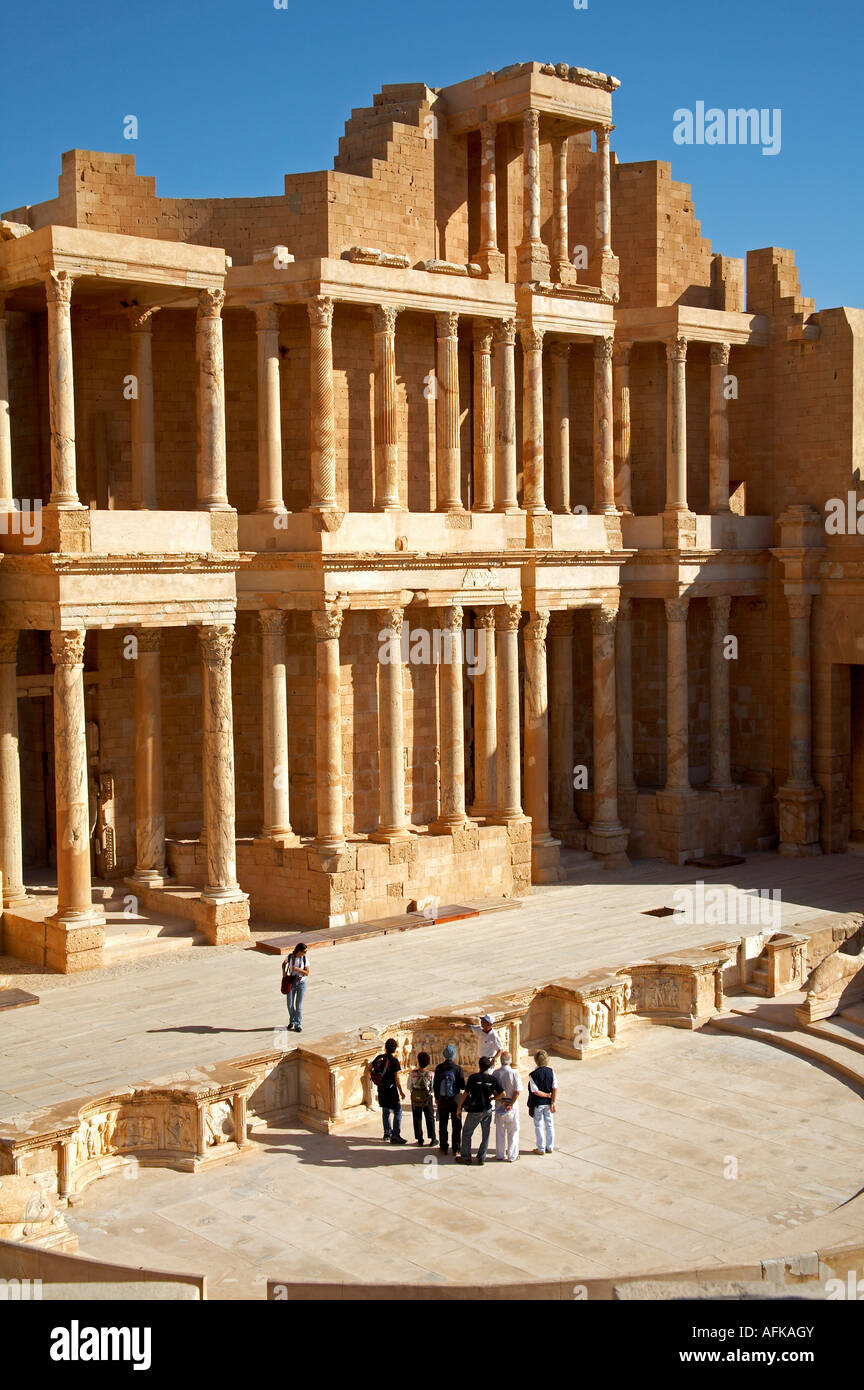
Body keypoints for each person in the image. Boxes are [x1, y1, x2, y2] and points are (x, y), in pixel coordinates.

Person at [456, 1056, 504, 1165]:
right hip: (487, 1109)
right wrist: (493, 1098)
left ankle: (466, 1157)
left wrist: (459, 1107)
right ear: (489, 1067)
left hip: (475, 1110)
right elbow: (503, 1094)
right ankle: (482, 1157)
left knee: (467, 1132)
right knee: (485, 1134)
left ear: (479, 1065)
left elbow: (465, 1094)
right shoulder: (492, 1079)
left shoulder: (473, 1078)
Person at [371, 1037, 407, 1144]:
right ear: (395, 1049)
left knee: (385, 1111)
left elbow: (371, 1068)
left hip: (381, 1089)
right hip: (391, 1090)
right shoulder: (394, 1061)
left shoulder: (379, 1058)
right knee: (398, 1111)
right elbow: (397, 1078)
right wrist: (401, 1091)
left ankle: (387, 1133)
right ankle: (395, 1135)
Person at [433, 1044, 465, 1155]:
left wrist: (437, 1098)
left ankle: (443, 1148)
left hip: (442, 1100)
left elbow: (436, 1084)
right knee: (456, 1126)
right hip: (455, 1100)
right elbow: (462, 1086)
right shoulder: (457, 1068)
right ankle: (456, 1149)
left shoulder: (439, 1068)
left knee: (443, 1124)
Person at [492, 1050, 522, 1162]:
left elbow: (494, 1091)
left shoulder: (496, 1073)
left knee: (500, 1130)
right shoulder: (514, 1073)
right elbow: (517, 1091)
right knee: (513, 1131)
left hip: (500, 1104)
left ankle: (500, 1154)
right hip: (511, 1106)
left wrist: (503, 1102)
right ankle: (512, 1156)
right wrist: (511, 1104)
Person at [527, 1050, 558, 1154]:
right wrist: (552, 1101)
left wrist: (546, 1095)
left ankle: (540, 1148)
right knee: (549, 1125)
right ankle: (550, 1147)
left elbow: (535, 1091)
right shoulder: (551, 1071)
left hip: (538, 1104)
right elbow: (555, 1088)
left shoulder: (533, 1075)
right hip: (548, 1103)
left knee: (539, 1125)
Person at [408, 1051, 437, 1146]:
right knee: (430, 1117)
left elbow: (409, 1086)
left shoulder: (412, 1073)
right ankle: (433, 1138)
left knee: (417, 1118)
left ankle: (420, 1139)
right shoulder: (431, 1074)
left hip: (416, 1097)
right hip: (427, 1097)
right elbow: (433, 1088)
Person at [282, 942, 309, 1033]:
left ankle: (297, 1024)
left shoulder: (305, 959)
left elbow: (307, 973)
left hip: (301, 983)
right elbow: (283, 964)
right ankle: (292, 1020)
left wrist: (298, 969)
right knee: (289, 1004)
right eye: (304, 951)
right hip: (291, 983)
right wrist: (284, 973)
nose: (305, 953)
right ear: (299, 951)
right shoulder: (290, 957)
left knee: (298, 1006)